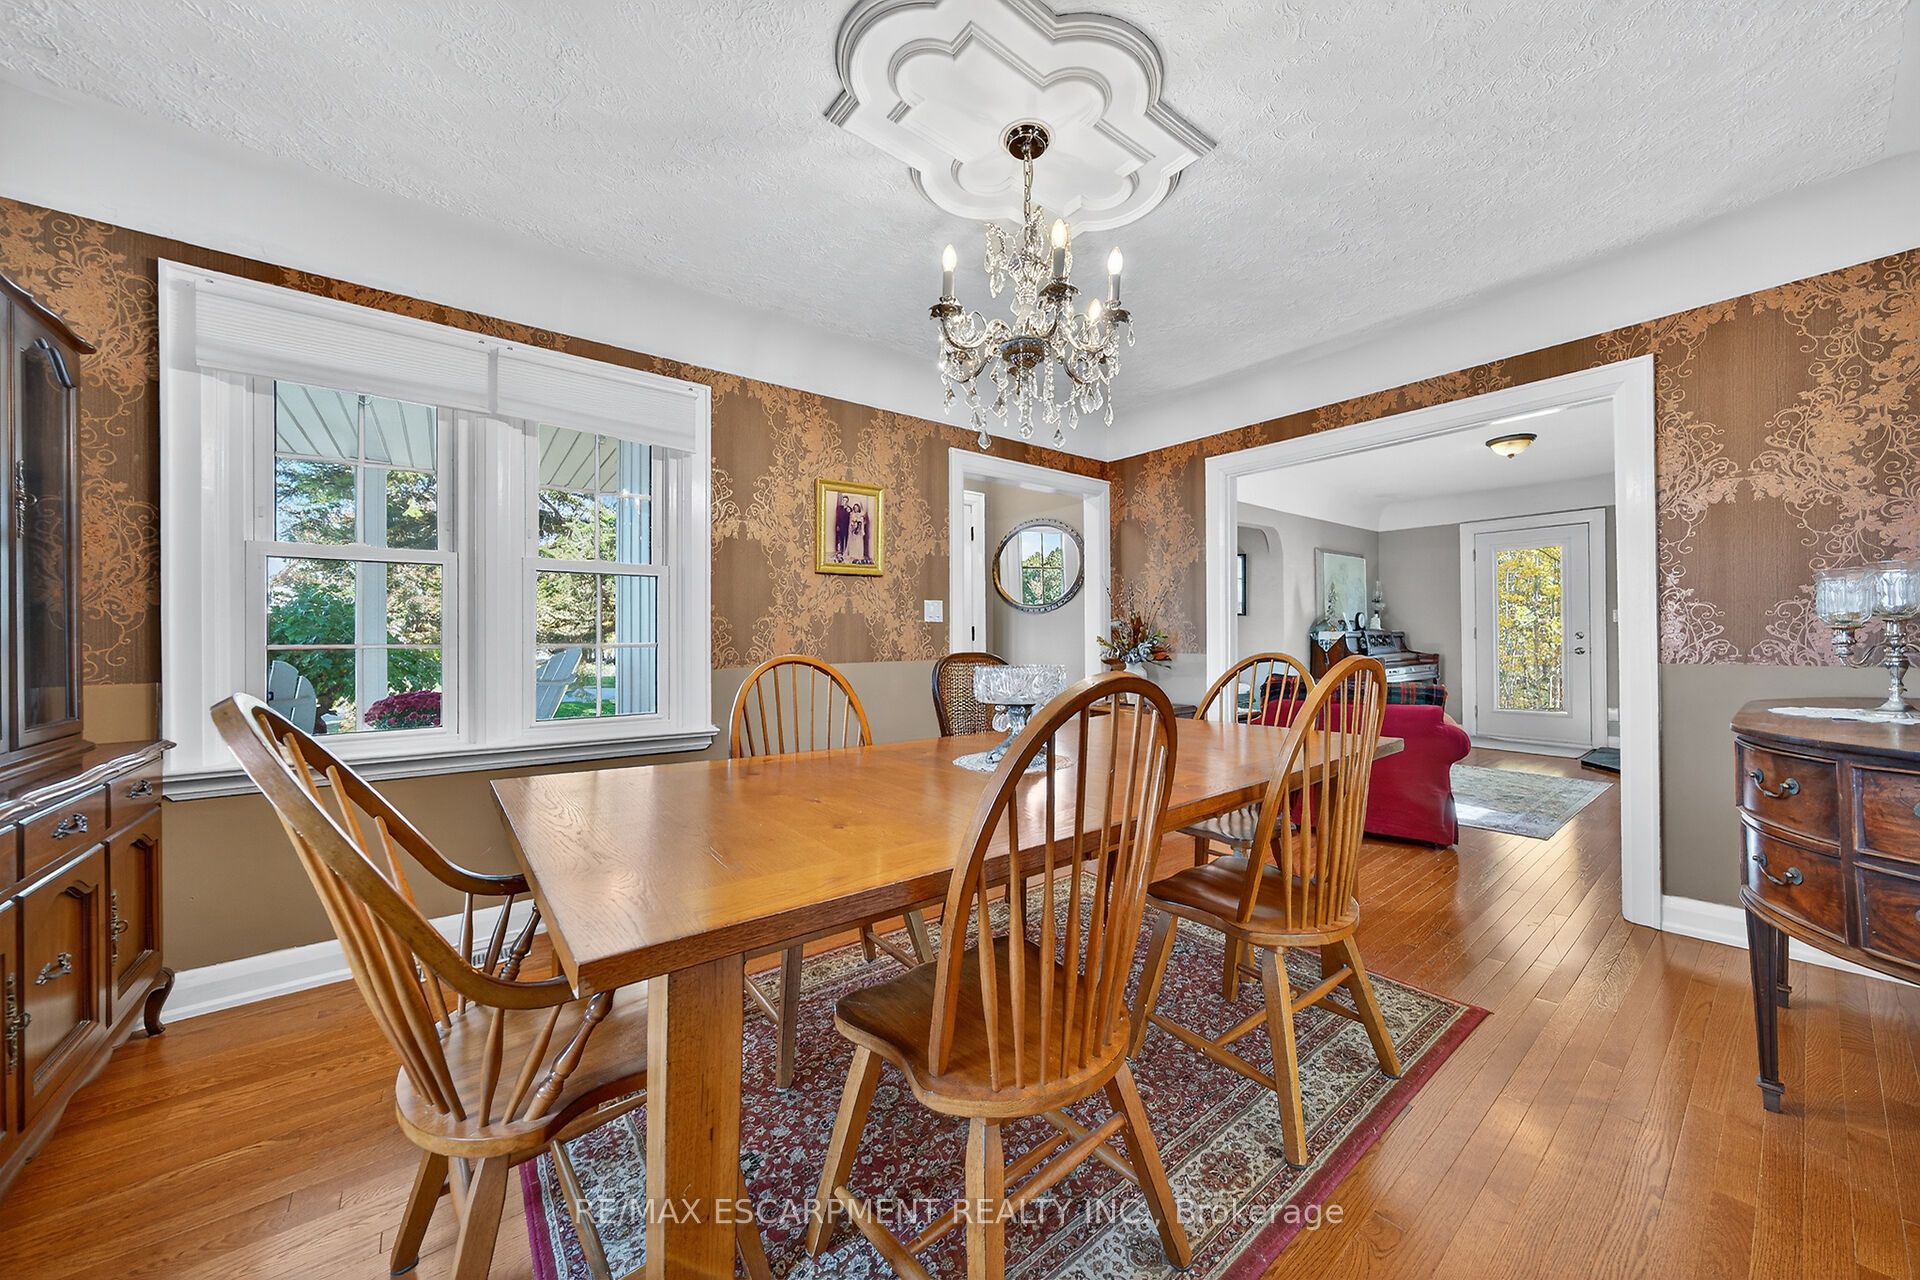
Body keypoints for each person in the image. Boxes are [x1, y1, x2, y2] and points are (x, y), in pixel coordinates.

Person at [847, 498, 870, 564]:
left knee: (859, 542)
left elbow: (863, 523)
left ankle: (859, 555)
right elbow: (850, 522)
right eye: (855, 508)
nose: (856, 509)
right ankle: (853, 554)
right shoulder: (852, 514)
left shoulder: (861, 515)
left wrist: (861, 527)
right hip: (853, 531)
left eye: (857, 507)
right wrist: (852, 526)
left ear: (859, 508)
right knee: (853, 543)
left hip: (859, 532)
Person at [833, 493, 851, 562]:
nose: (844, 502)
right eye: (843, 500)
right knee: (839, 538)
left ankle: (844, 551)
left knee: (845, 538)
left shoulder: (849, 509)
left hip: (846, 526)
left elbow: (851, 515)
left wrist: (849, 510)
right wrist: (837, 525)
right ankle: (839, 551)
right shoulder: (839, 508)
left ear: (847, 501)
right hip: (840, 526)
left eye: (846, 501)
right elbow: (837, 517)